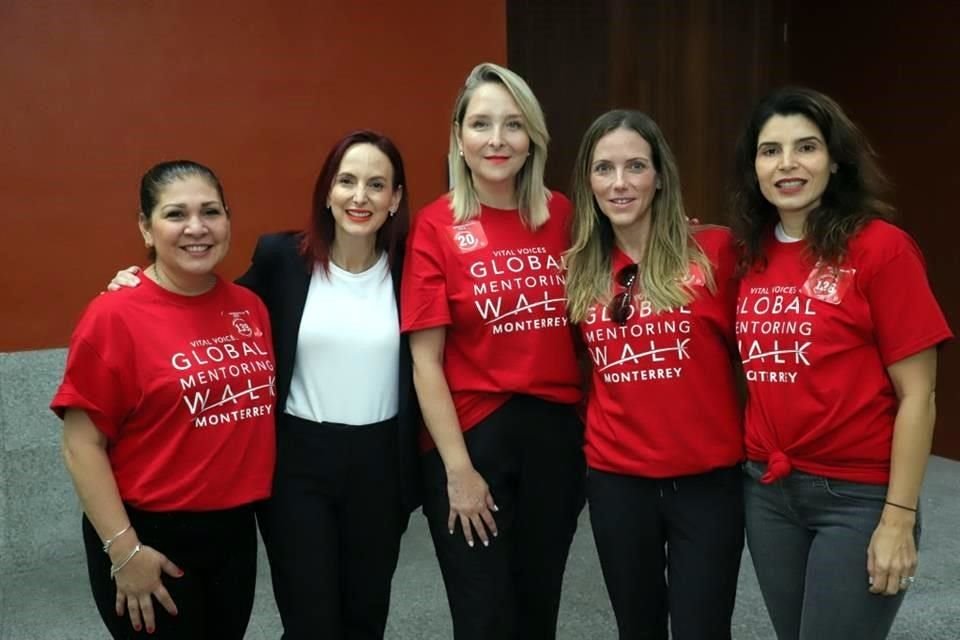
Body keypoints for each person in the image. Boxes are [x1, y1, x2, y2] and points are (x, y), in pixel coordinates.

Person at [106, 131, 419, 639]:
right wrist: (139, 280)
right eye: (346, 181)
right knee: (311, 619)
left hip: (381, 465)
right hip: (297, 467)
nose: (359, 197)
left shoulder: (412, 266)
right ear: (327, 191)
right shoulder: (282, 259)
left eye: (376, 184)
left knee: (366, 614)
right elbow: (210, 301)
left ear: (395, 199)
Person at [731, 87, 953, 639]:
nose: (787, 164)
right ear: (753, 166)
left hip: (855, 497)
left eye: (805, 147)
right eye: (769, 150)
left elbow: (918, 396)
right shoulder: (749, 253)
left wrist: (898, 517)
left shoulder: (881, 249)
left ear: (834, 160)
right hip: (768, 490)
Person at [52, 160, 276, 639]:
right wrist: (125, 552)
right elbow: (80, 446)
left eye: (210, 212)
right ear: (146, 228)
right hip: (148, 535)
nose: (196, 228)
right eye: (176, 214)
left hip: (233, 535)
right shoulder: (113, 316)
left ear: (228, 220)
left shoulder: (250, 307)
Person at [400, 62, 585, 639]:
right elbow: (425, 360)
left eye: (513, 124)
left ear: (533, 137)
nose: (497, 140)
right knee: (483, 615)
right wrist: (458, 470)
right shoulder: (435, 226)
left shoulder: (563, 216)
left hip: (554, 436)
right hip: (471, 436)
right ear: (459, 138)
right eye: (481, 124)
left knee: (538, 603)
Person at [565, 109, 744, 639]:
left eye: (635, 166)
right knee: (636, 627)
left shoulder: (715, 252)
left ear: (660, 174)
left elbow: (759, 352)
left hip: (707, 483)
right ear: (588, 180)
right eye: (604, 169)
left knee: (702, 628)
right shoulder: (578, 267)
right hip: (618, 483)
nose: (619, 183)